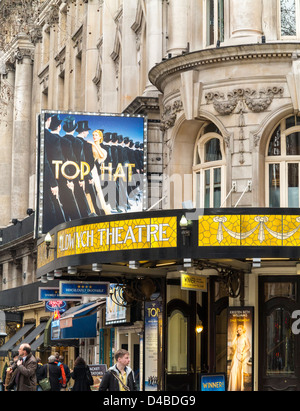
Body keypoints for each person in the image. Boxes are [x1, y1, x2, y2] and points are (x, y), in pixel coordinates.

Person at [228, 324, 251, 391]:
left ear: (243, 330)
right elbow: (232, 344)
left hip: (240, 355)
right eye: (238, 330)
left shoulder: (245, 338)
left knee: (238, 371)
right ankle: (233, 387)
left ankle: (238, 387)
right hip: (235, 355)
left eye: (240, 330)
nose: (239, 331)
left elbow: (248, 346)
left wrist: (243, 352)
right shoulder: (237, 338)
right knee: (233, 370)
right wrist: (235, 336)